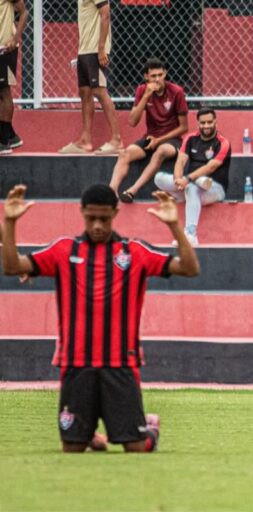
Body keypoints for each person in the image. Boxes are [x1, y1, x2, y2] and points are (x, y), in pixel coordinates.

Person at [2, 183, 200, 452]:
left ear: (115, 214)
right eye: (91, 218)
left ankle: (149, 428)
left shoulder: (134, 253)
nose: (97, 225)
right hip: (76, 363)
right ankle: (89, 434)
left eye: (104, 219)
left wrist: (175, 226)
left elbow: (190, 269)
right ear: (81, 212)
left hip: (120, 363)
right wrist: (10, 223)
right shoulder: (63, 250)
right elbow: (13, 267)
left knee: (136, 447)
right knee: (72, 449)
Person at [109, 59, 189, 203]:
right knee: (125, 153)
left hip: (171, 140)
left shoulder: (176, 92)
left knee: (161, 152)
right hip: (150, 138)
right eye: (153, 76)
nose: (157, 79)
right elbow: (132, 121)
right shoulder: (142, 90)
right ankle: (111, 192)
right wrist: (146, 96)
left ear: (165, 74)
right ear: (146, 77)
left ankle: (132, 190)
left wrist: (159, 140)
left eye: (160, 75)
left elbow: (184, 127)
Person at [154, 108, 231, 246]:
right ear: (198, 123)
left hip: (215, 188)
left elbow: (211, 167)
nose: (206, 126)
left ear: (215, 122)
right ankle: (182, 191)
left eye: (209, 122)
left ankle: (190, 235)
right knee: (159, 178)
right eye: (203, 123)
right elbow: (180, 161)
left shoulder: (223, 143)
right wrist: (178, 180)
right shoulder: (190, 139)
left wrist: (187, 179)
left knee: (195, 185)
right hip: (189, 184)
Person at [58, 0, 121, 154]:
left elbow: (105, 15)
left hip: (95, 50)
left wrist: (101, 48)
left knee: (99, 91)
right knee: (85, 93)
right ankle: (85, 141)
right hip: (84, 50)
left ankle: (117, 140)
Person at [0, 0, 28, 154]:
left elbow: (24, 12)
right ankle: (10, 135)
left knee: (4, 92)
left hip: (5, 48)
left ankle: (3, 140)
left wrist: (16, 37)